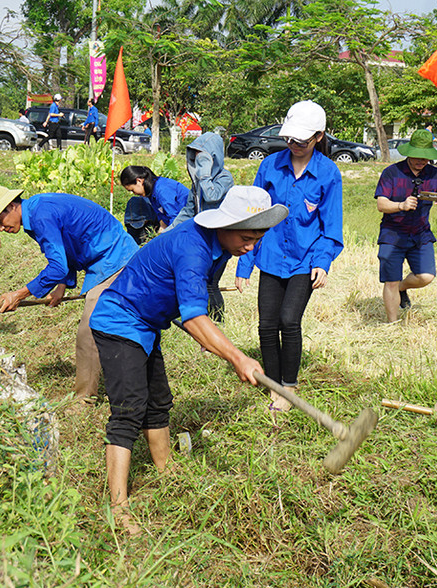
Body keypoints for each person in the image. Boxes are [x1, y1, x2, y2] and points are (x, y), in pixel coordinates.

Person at [89, 186, 287, 533]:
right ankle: (118, 509)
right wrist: (236, 356)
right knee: (129, 409)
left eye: (257, 238)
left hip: (147, 324)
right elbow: (195, 316)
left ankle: (166, 471)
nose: (250, 246)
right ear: (224, 226)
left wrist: (208, 337)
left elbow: (186, 302)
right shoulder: (192, 247)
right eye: (246, 237)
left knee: (159, 401)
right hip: (119, 321)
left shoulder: (221, 247)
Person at [0, 187, 138, 400]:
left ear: (10, 206)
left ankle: (84, 399)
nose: (2, 228)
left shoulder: (40, 215)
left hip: (115, 258)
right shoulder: (34, 211)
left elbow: (57, 266)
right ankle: (124, 379)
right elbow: (67, 247)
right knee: (111, 325)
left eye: (0, 221)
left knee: (91, 329)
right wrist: (61, 287)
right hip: (103, 258)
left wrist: (19, 294)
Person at [235, 100, 344, 410]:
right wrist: (245, 263)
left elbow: (332, 226)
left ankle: (289, 385)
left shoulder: (328, 174)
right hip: (270, 255)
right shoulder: (269, 166)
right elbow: (253, 218)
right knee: (267, 324)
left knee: (288, 320)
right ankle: (273, 382)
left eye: (302, 140)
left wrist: (323, 261)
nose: (294, 145)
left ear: (319, 137)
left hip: (305, 259)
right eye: (290, 139)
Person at [374, 128, 437, 323]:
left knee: (426, 276)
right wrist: (400, 205)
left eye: (425, 157)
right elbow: (381, 204)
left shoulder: (435, 175)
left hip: (420, 234)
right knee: (390, 281)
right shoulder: (391, 173)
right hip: (392, 234)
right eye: (417, 156)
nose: (421, 161)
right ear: (409, 152)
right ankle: (392, 323)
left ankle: (403, 288)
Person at [167, 131, 235, 321]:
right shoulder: (196, 185)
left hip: (220, 240)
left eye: (203, 158)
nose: (199, 163)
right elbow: (189, 210)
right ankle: (202, 321)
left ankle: (217, 322)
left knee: (212, 283)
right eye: (196, 159)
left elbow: (213, 196)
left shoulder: (225, 178)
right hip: (202, 240)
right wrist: (169, 231)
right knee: (201, 280)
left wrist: (204, 175)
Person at [119, 165, 187, 244]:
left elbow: (175, 219)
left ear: (139, 181)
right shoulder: (151, 192)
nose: (134, 193)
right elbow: (162, 217)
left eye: (132, 190)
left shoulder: (162, 189)